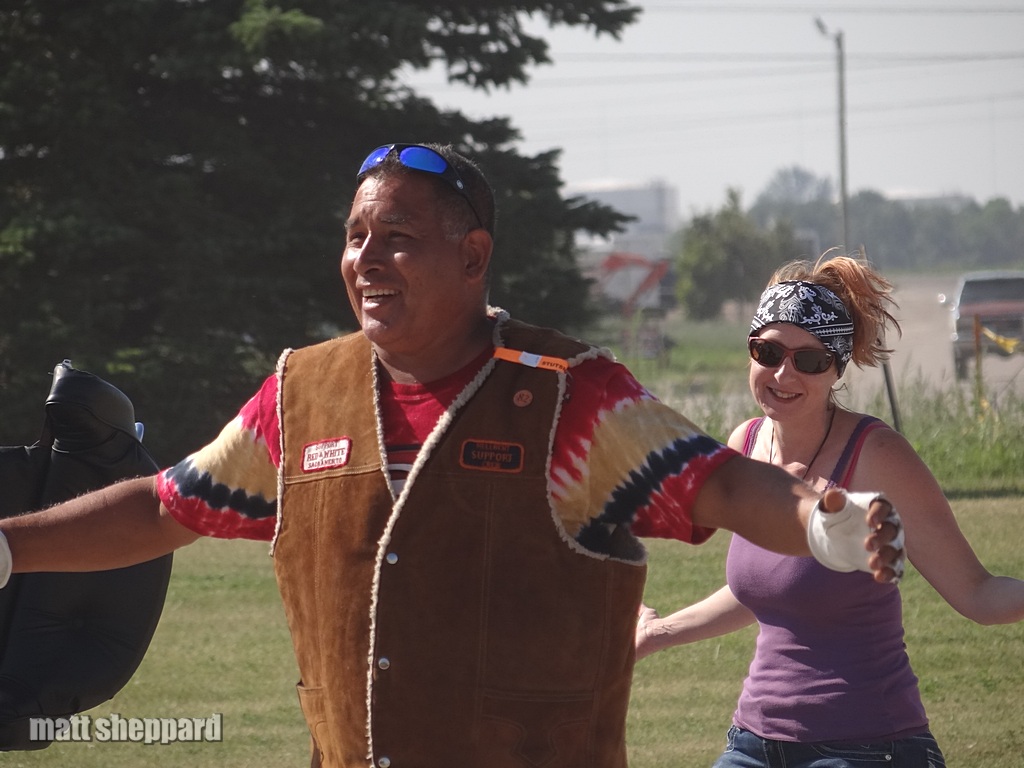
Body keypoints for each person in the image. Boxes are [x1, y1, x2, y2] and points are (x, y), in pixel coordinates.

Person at [0, 145, 904, 768]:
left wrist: (822, 528)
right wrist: (9, 546)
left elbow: (719, 480)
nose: (365, 259)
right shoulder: (300, 393)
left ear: (473, 256)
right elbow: (166, 506)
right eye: (356, 236)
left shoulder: (568, 393)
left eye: (397, 236)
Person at [635, 254, 1024, 768]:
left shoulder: (876, 455)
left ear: (837, 367)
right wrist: (658, 634)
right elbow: (767, 585)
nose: (783, 373)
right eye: (767, 351)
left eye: (810, 359)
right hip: (753, 743)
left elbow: (978, 594)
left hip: (868, 747)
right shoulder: (745, 444)